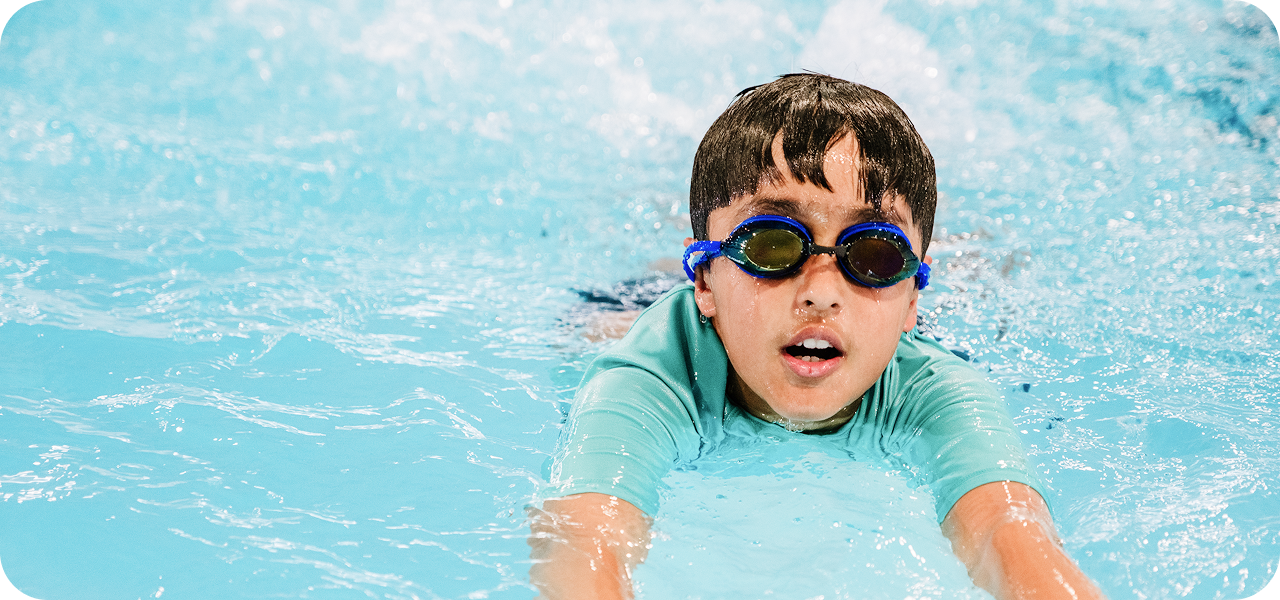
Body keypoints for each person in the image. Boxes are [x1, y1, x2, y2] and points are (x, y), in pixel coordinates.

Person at [528, 73, 1103, 600]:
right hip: (639, 316)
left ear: (912, 302)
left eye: (876, 253)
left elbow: (1010, 533)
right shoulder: (651, 376)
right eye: (771, 241)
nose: (822, 291)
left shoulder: (934, 389)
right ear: (703, 280)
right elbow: (584, 538)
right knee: (592, 330)